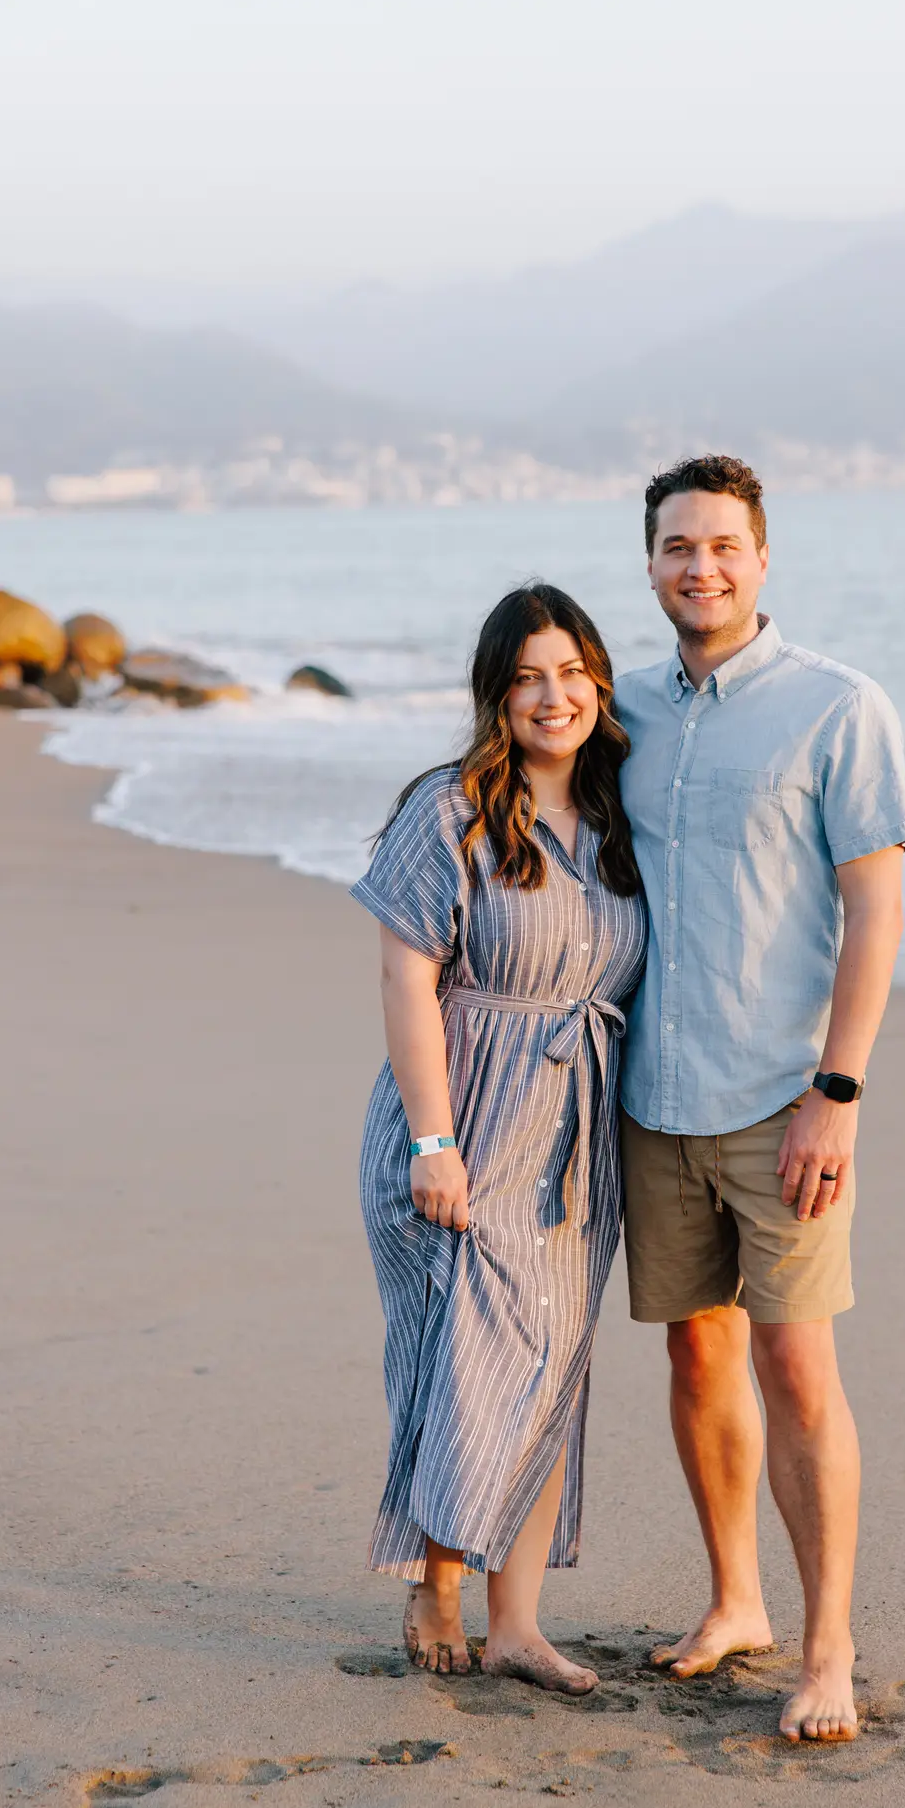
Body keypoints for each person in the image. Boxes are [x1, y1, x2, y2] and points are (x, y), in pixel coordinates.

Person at [614, 454, 905, 1743]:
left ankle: (827, 1647)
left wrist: (836, 1091)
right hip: (651, 1095)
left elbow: (875, 907)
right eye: (679, 546)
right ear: (650, 562)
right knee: (695, 1351)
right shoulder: (619, 709)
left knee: (798, 1365)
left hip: (780, 1098)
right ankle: (734, 1598)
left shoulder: (836, 708)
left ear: (761, 555)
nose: (702, 566)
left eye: (724, 545)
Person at [351, 582, 647, 1694]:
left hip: (572, 1148)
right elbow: (404, 976)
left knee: (547, 1373)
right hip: (462, 1120)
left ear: (599, 682)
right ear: (494, 692)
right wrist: (433, 1142)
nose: (551, 693)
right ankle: (434, 1582)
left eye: (571, 670)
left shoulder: (621, 817)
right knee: (456, 1363)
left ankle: (516, 1622)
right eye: (526, 674)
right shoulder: (450, 809)